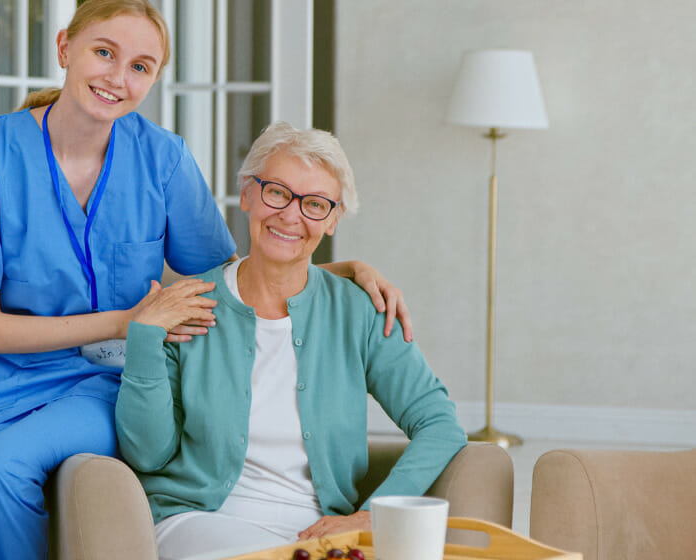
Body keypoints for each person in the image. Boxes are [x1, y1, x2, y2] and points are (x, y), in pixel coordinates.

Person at [0, 0, 412, 560]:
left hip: (107, 385)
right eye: (104, 52)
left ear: (152, 80)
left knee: (2, 470)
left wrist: (341, 269)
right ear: (65, 48)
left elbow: (230, 277)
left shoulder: (163, 158)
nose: (117, 77)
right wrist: (127, 321)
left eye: (140, 67)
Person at [115, 122, 468, 560]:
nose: (291, 215)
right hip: (199, 521)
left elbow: (439, 423)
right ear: (247, 194)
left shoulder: (358, 310)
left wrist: (371, 515)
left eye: (315, 204)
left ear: (334, 219)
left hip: (318, 534)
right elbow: (147, 455)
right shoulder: (186, 305)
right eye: (277, 192)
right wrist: (145, 340)